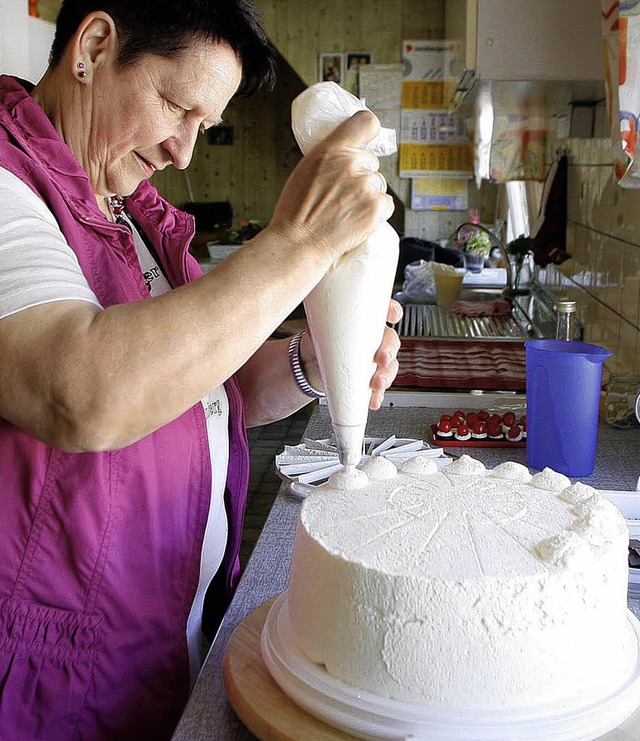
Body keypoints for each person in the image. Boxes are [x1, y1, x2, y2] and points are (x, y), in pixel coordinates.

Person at [0, 1, 401, 738]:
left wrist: (317, 358)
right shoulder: (7, 185)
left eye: (204, 127)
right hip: (49, 675)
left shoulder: (135, 215)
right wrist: (298, 245)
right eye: (176, 106)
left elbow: (211, 389)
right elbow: (84, 392)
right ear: (93, 45)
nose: (185, 152)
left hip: (163, 634)